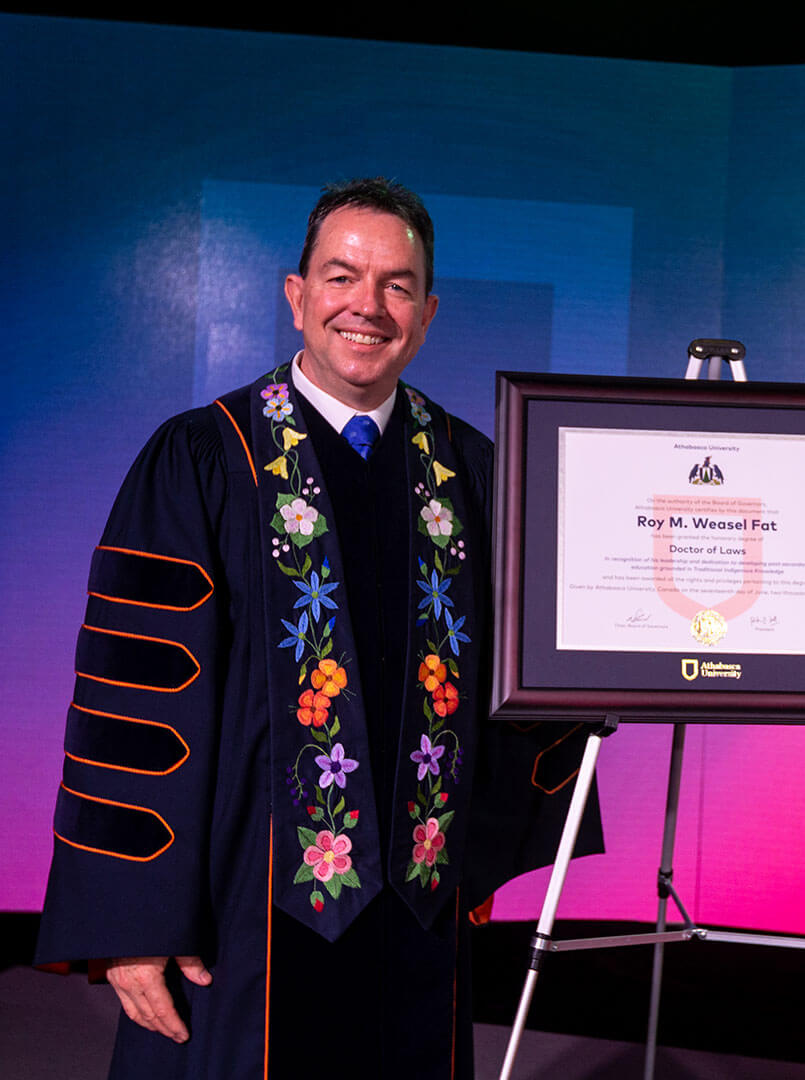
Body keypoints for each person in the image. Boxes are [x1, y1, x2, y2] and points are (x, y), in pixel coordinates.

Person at [35, 178, 597, 1079]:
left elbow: (527, 675)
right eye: (341, 278)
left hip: (415, 917)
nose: (367, 308)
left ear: (428, 312)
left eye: (398, 285)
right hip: (238, 921)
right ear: (297, 297)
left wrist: (480, 851)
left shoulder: (477, 472)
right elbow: (131, 701)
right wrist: (133, 926)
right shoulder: (205, 458)